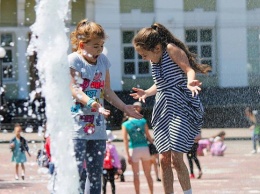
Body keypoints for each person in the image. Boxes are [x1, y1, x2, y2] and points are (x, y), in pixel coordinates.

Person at [130, 22, 211, 194]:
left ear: (157, 47)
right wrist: (146, 92)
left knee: (176, 157)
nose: (144, 58)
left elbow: (188, 70)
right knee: (164, 158)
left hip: (181, 106)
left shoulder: (171, 49)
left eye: (144, 55)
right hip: (162, 108)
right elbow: (160, 85)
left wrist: (190, 82)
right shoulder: (154, 59)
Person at [69, 19, 142, 194]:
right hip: (76, 127)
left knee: (95, 175)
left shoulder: (103, 61)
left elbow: (106, 90)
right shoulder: (74, 60)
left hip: (97, 127)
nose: (100, 50)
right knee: (76, 173)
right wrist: (94, 104)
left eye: (101, 45)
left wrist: (124, 107)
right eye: (95, 46)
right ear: (81, 44)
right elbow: (74, 88)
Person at [122, 101, 154, 194]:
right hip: (144, 148)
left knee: (136, 175)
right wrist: (153, 147)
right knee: (148, 174)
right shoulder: (143, 121)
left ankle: (137, 193)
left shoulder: (125, 124)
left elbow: (125, 140)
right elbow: (148, 136)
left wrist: (128, 155)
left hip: (134, 149)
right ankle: (151, 192)